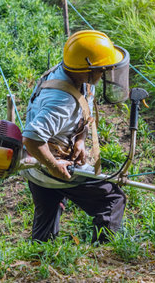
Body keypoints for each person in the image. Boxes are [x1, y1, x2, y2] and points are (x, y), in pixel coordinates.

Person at [20, 30, 130, 243]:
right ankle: (104, 255)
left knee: (48, 214)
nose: (104, 74)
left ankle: (40, 258)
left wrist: (79, 140)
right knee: (113, 198)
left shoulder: (73, 75)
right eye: (101, 70)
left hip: (36, 168)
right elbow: (32, 139)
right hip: (49, 165)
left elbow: (83, 112)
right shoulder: (61, 102)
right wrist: (54, 166)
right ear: (87, 69)